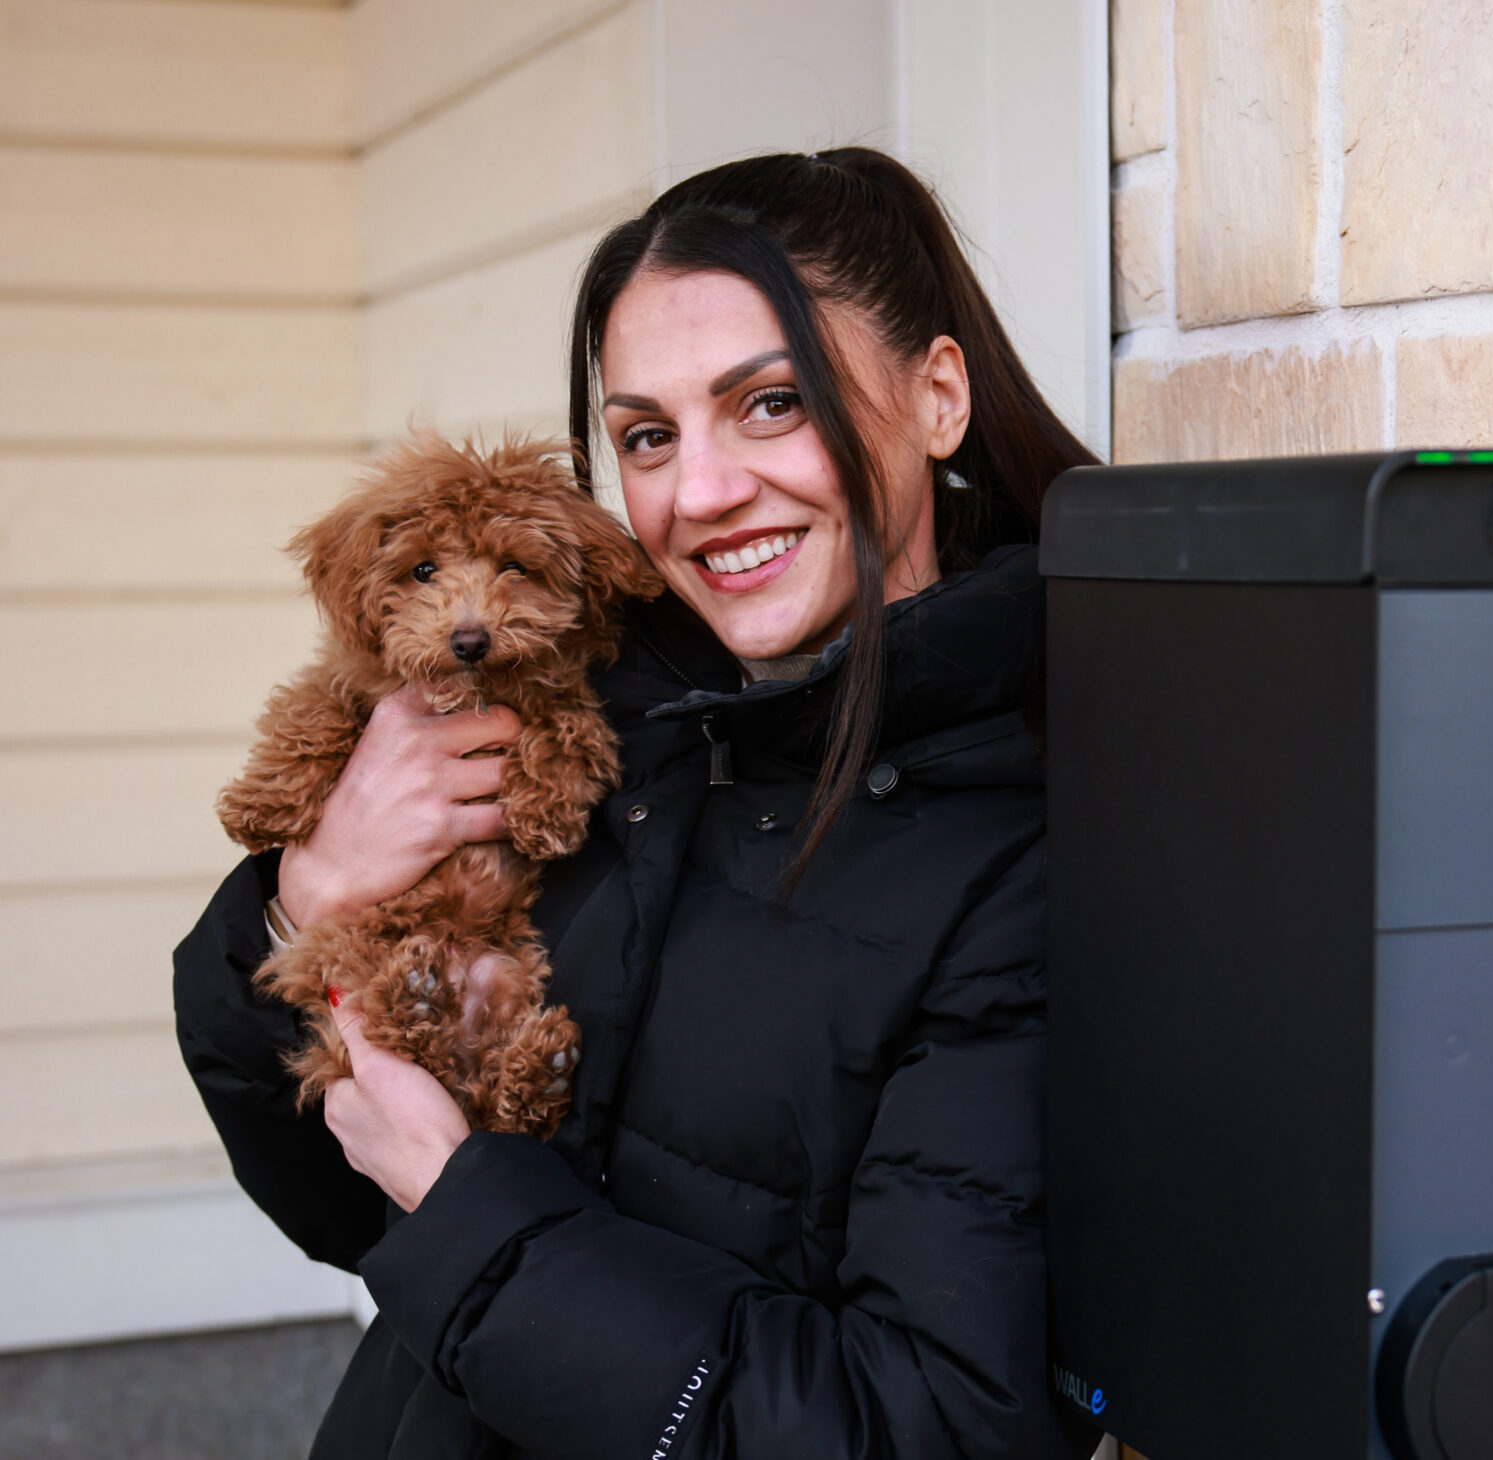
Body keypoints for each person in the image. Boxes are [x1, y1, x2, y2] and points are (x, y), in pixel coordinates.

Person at [173, 147, 1099, 1460]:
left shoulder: (1028, 857)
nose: (700, 495)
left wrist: (462, 1203)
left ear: (939, 396)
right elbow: (338, 1206)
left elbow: (929, 1427)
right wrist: (306, 896)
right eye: (648, 436)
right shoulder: (600, 721)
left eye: (772, 404)